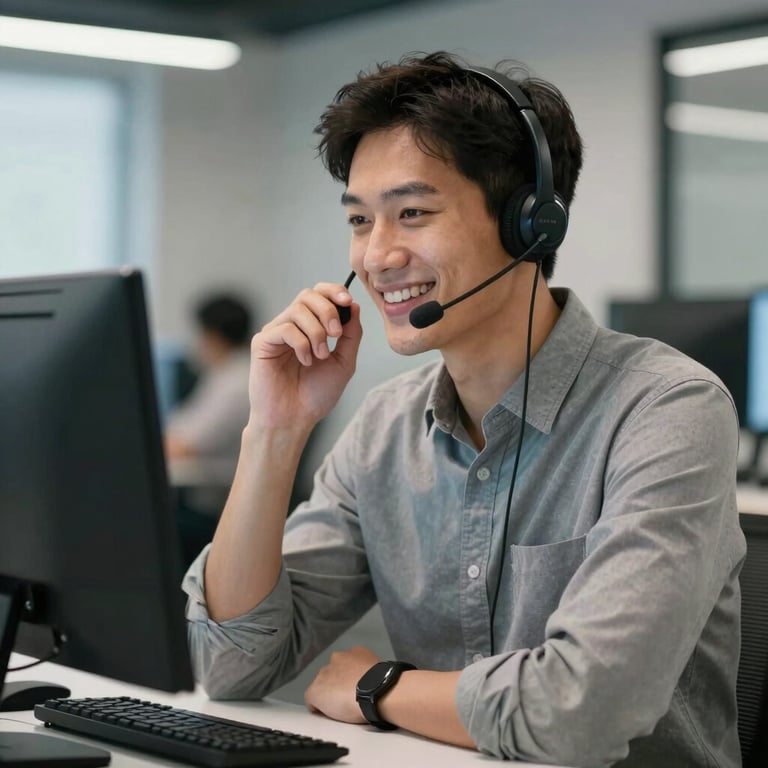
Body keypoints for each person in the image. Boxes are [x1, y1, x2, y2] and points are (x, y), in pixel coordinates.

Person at [182, 52, 746, 767]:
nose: (378, 256)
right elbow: (230, 665)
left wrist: (378, 687)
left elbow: (581, 712)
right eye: (360, 220)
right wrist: (275, 431)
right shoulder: (386, 427)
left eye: (412, 213)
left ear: (531, 224)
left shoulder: (665, 410)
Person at [165, 293, 252, 561]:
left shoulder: (237, 383)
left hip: (213, 511)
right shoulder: (221, 375)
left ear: (212, 335)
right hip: (201, 500)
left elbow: (183, 446)